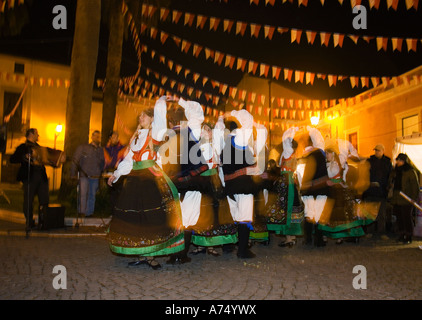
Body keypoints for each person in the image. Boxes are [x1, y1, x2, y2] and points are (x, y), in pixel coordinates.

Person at [107, 96, 184, 270]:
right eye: (140, 116)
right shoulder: (135, 138)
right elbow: (128, 160)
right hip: (134, 179)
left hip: (150, 178)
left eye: (144, 115)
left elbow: (160, 116)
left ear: (151, 119)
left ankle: (151, 256)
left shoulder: (155, 132)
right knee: (136, 218)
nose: (140, 117)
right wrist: (116, 175)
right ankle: (142, 253)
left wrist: (161, 100)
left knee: (151, 217)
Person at [217, 110, 268, 258]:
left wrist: (222, 117)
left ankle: (229, 245)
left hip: (230, 185)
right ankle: (242, 250)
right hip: (243, 185)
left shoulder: (224, 142)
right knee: (244, 217)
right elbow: (247, 121)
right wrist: (254, 123)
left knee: (233, 216)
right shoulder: (239, 140)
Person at [318, 142, 366, 244]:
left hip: (337, 192)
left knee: (338, 215)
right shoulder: (329, 164)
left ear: (333, 154)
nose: (327, 155)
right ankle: (326, 235)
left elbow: (334, 176)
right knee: (327, 215)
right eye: (326, 153)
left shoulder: (336, 165)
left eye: (328, 153)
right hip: (330, 192)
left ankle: (340, 236)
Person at [266, 126, 304, 248]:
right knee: (290, 209)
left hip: (286, 183)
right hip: (289, 182)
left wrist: (290, 132)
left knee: (286, 209)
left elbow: (286, 140)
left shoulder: (288, 152)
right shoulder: (289, 154)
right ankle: (291, 238)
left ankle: (289, 238)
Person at [296, 126, 330, 247]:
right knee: (319, 214)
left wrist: (302, 187)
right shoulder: (320, 154)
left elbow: (300, 174)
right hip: (321, 188)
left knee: (309, 214)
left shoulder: (304, 157)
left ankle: (308, 239)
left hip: (308, 189)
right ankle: (318, 240)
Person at [10, 128, 49, 231]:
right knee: (28, 200)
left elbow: (45, 159)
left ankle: (43, 221)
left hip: (41, 176)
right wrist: (24, 156)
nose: (38, 136)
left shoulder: (39, 147)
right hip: (30, 176)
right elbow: (12, 159)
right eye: (36, 134)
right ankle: (29, 221)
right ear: (31, 134)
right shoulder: (23, 147)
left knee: (44, 199)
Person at [71, 130, 105, 217]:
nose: (97, 138)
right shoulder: (83, 147)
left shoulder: (101, 150)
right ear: (92, 137)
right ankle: (81, 212)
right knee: (83, 194)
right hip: (84, 175)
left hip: (95, 176)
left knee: (92, 195)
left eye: (99, 136)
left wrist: (101, 172)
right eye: (96, 136)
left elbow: (102, 162)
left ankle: (90, 213)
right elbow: (75, 159)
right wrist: (73, 173)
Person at [362, 144, 392, 239]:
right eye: (375, 150)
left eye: (378, 150)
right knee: (370, 212)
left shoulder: (387, 162)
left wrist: (387, 186)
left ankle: (381, 232)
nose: (376, 152)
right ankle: (370, 231)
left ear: (383, 150)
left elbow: (390, 176)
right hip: (371, 191)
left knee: (381, 214)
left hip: (382, 192)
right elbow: (364, 173)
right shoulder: (370, 161)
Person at [390, 153, 420, 244]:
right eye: (397, 160)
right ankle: (402, 234)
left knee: (406, 217)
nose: (397, 162)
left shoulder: (410, 172)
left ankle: (408, 236)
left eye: (399, 160)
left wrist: (414, 198)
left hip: (406, 198)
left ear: (403, 161)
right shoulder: (396, 171)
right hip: (397, 198)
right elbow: (393, 182)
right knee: (399, 217)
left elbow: (415, 186)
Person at [103, 131, 126, 212]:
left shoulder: (122, 147)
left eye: (116, 137)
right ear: (110, 138)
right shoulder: (106, 148)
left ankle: (118, 210)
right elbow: (105, 160)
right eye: (113, 137)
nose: (115, 139)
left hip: (118, 173)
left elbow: (123, 159)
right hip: (108, 173)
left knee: (118, 192)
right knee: (111, 193)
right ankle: (112, 211)